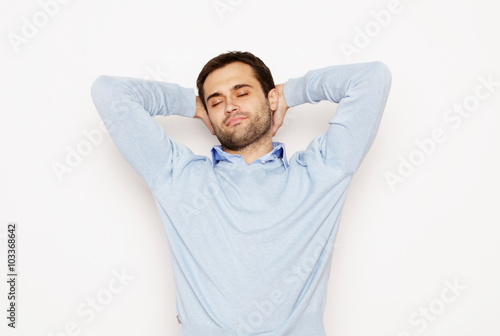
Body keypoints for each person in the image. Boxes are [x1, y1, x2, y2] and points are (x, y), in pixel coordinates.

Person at [90, 51, 392, 336]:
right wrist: (191, 104)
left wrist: (292, 92)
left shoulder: (321, 172)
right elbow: (109, 92)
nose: (230, 105)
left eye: (242, 92)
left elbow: (372, 78)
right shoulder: (176, 176)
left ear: (269, 98)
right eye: (216, 101)